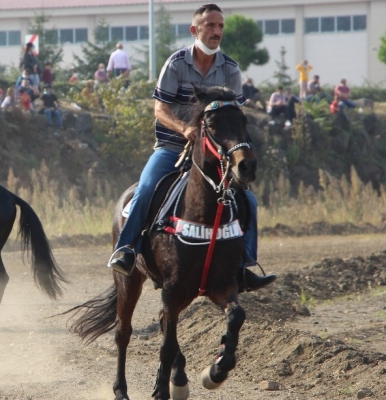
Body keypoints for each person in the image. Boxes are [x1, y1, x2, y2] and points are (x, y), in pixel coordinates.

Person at [107, 3, 275, 291]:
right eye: (210, 25)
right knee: (145, 189)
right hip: (172, 147)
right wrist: (185, 128)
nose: (217, 31)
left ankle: (244, 265)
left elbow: (233, 116)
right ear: (194, 30)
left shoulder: (231, 69)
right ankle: (126, 251)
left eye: (220, 26)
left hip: (214, 154)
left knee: (250, 201)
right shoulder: (175, 63)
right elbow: (160, 109)